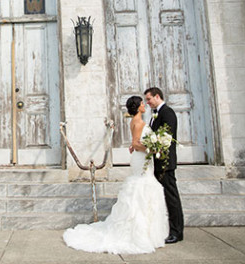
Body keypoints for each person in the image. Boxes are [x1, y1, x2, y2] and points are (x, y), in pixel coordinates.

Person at [63, 96, 169, 254]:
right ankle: (138, 234)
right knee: (142, 187)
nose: (144, 105)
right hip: (142, 159)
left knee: (144, 187)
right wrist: (154, 149)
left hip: (142, 159)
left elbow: (136, 143)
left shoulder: (135, 120)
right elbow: (135, 143)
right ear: (138, 106)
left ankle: (148, 233)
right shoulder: (138, 122)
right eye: (142, 103)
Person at [144, 87, 184, 244]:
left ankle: (177, 232)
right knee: (165, 196)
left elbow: (166, 137)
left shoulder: (168, 113)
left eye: (149, 99)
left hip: (166, 162)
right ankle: (167, 228)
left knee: (171, 197)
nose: (147, 102)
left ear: (157, 96)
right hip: (158, 162)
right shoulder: (156, 114)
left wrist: (152, 144)